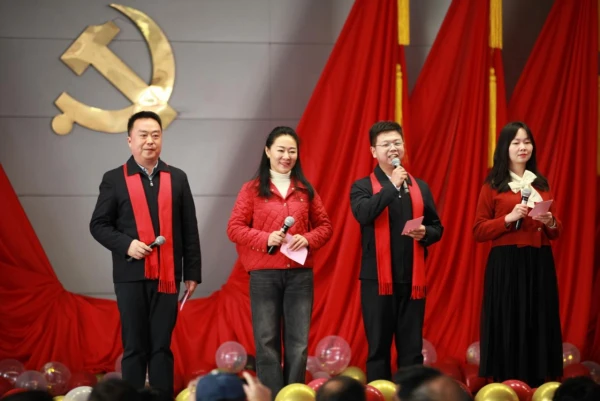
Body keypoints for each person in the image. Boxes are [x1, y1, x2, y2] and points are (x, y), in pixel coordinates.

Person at [90, 111, 202, 396]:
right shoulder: (114, 179)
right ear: (130, 140)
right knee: (135, 346)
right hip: (130, 275)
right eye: (143, 135)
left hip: (168, 276)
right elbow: (98, 225)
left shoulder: (177, 178)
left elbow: (189, 229)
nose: (150, 141)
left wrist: (192, 273)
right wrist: (127, 244)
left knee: (162, 346)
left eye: (155, 135)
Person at [227, 126, 333, 396]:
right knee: (266, 341)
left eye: (292, 151)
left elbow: (325, 227)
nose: (287, 156)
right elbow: (234, 228)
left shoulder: (305, 190)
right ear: (267, 151)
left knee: (298, 342)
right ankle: (272, 395)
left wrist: (307, 238)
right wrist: (266, 238)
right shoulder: (251, 190)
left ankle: (293, 395)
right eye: (281, 150)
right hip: (264, 275)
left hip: (299, 275)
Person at [350, 121, 443, 382]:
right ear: (373, 151)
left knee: (412, 350)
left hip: (413, 279)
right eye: (386, 144)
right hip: (377, 280)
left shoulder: (419, 187)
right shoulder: (362, 187)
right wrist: (391, 185)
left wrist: (425, 233)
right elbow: (364, 214)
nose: (393, 148)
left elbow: (437, 226)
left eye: (397, 143)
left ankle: (411, 394)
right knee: (378, 349)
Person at [473, 121, 563, 387]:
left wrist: (550, 221)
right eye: (516, 142)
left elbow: (556, 232)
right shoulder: (493, 185)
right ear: (505, 147)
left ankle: (537, 381)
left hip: (539, 261)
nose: (523, 147)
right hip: (506, 263)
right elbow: (478, 230)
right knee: (508, 320)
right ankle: (507, 382)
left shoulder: (540, 184)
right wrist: (508, 218)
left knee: (539, 319)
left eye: (527, 142)